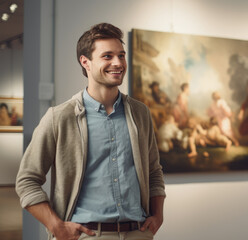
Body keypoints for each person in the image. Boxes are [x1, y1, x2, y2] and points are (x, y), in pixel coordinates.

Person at [15, 23, 166, 240]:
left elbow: (153, 171)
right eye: (107, 56)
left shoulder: (140, 113)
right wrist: (56, 226)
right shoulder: (59, 117)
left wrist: (158, 214)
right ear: (85, 61)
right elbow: (27, 180)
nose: (118, 63)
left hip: (138, 233)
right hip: (87, 234)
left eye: (121, 56)